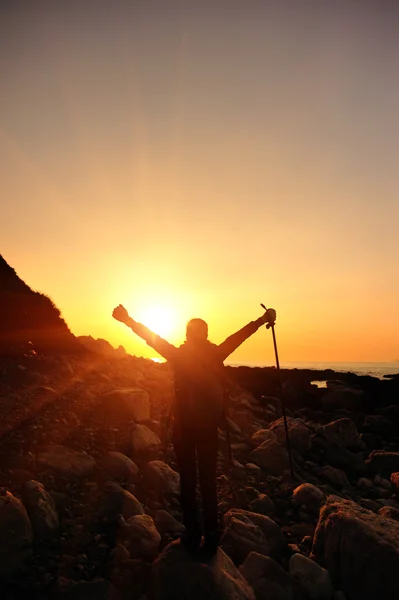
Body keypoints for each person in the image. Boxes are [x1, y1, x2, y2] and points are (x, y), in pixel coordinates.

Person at [112, 304, 276, 556]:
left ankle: (192, 534)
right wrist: (262, 319)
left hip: (184, 426)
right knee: (208, 481)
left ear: (188, 335)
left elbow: (150, 337)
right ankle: (211, 537)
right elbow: (239, 336)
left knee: (188, 482)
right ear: (206, 334)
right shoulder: (216, 354)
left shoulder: (179, 355)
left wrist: (127, 320)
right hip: (208, 426)